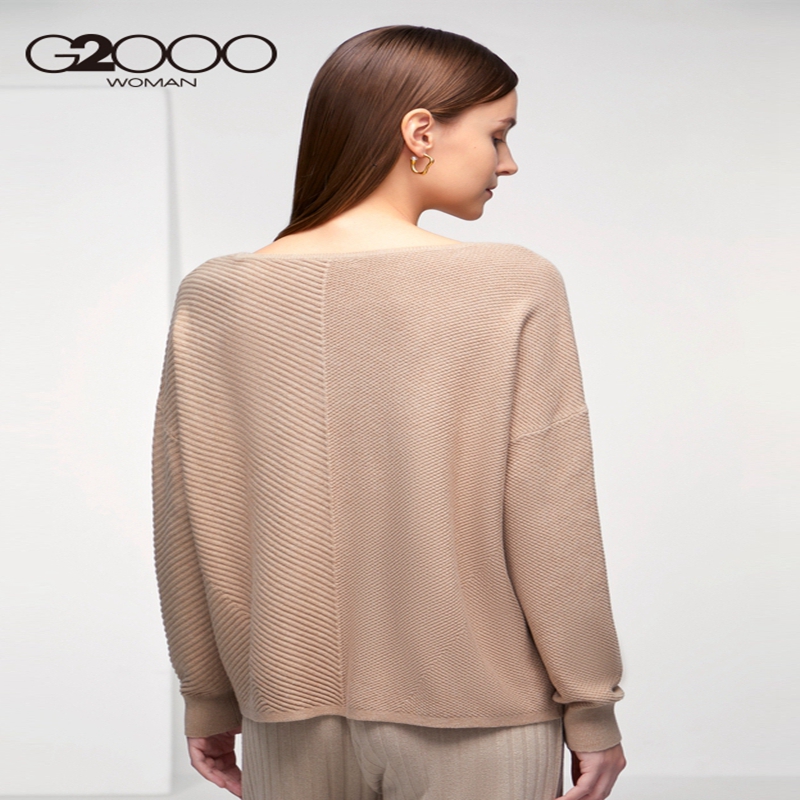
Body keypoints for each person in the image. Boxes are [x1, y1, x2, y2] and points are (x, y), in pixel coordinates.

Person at [152, 24, 627, 800]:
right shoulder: (513, 284)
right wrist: (591, 703)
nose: (508, 162)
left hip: (286, 713)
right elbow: (552, 516)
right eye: (498, 134)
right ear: (420, 132)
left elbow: (187, 518)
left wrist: (207, 694)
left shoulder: (216, 296)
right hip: (481, 710)